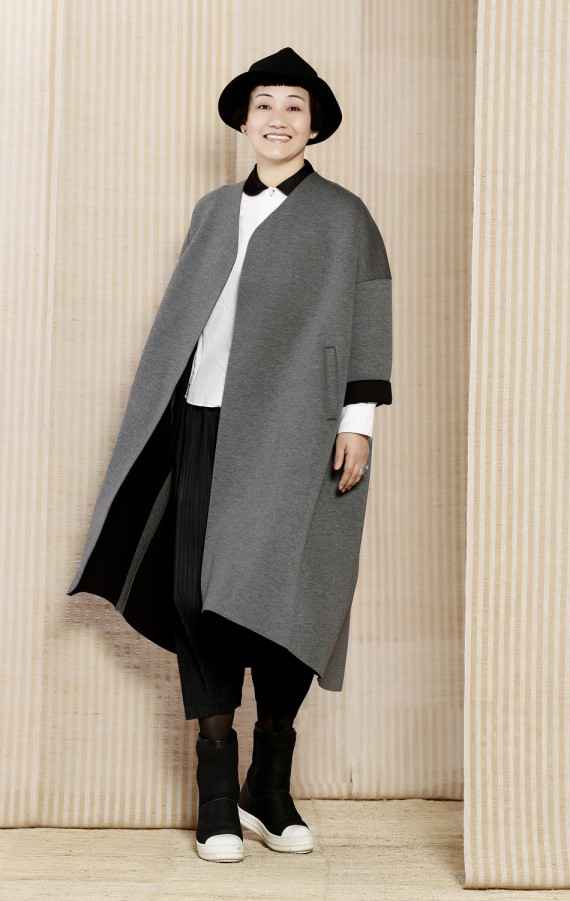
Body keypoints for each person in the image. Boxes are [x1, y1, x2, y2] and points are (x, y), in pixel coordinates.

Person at [66, 46, 393, 864]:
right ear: (244, 121)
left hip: (296, 432)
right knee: (199, 598)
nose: (278, 119)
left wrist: (357, 419)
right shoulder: (213, 210)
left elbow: (368, 312)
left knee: (288, 597)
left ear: (314, 125)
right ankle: (216, 789)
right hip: (201, 425)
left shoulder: (344, 217)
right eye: (264, 105)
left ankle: (268, 785)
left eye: (294, 106)